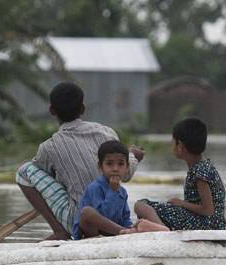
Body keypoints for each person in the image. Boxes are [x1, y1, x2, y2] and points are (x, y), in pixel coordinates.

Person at [16, 82, 145, 240]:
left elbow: (39, 174)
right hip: (110, 216)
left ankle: (59, 231)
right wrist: (133, 156)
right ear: (83, 108)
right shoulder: (106, 132)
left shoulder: (48, 147)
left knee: (24, 171)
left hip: (80, 219)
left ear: (51, 110)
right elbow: (126, 174)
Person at [134, 117, 226, 230]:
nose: (171, 144)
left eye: (173, 141)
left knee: (140, 205)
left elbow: (208, 210)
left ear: (180, 146)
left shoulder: (199, 171)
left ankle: (163, 231)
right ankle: (160, 227)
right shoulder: (206, 166)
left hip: (206, 224)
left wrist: (181, 203)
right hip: (214, 223)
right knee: (157, 208)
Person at [73, 141, 168, 239]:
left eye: (120, 164)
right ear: (100, 166)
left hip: (113, 231)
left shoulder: (122, 191)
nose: (115, 169)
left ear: (127, 167)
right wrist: (113, 192)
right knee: (87, 212)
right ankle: (123, 231)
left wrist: (129, 226)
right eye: (109, 164)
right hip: (91, 232)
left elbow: (125, 217)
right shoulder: (95, 187)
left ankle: (132, 230)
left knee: (140, 214)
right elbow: (104, 216)